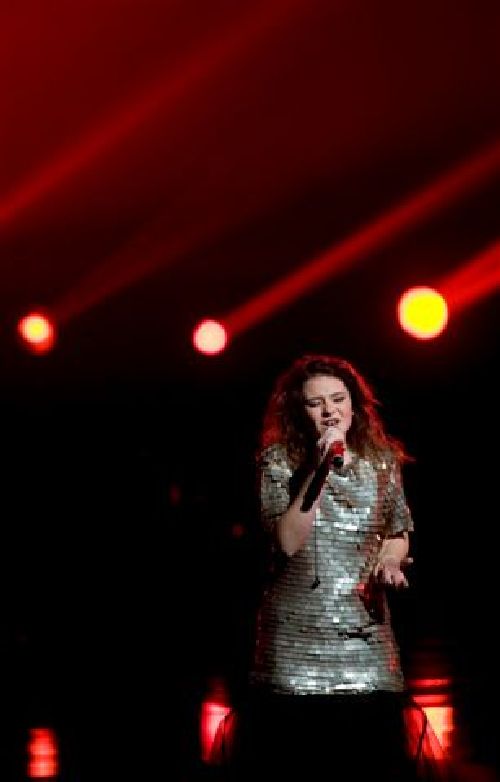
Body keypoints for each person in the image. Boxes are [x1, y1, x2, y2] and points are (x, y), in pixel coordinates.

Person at [221, 353, 433, 780]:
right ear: (299, 411)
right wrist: (318, 470)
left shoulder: (382, 462)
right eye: (316, 403)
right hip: (295, 648)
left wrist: (390, 559)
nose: (329, 411)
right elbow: (288, 541)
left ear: (354, 406)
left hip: (366, 642)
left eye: (338, 399)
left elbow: (398, 529)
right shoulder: (279, 461)